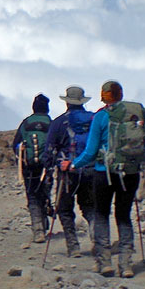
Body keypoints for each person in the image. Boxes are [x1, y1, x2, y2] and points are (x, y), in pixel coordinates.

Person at [73, 81, 142, 278]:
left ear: (104, 96)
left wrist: (73, 164)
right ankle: (126, 264)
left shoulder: (101, 117)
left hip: (104, 172)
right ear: (121, 95)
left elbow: (90, 151)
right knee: (123, 215)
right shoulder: (133, 116)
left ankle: (104, 262)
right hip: (129, 172)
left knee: (102, 214)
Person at [44, 85, 96, 258]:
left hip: (67, 173)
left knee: (65, 209)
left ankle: (73, 247)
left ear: (67, 102)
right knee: (89, 207)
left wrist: (50, 169)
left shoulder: (58, 123)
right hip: (90, 170)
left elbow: (50, 149)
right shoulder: (93, 119)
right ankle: (98, 240)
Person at [10, 94, 56, 243]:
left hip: (29, 167)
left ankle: (38, 231)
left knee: (32, 196)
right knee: (44, 193)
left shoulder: (26, 123)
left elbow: (15, 145)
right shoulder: (51, 123)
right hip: (46, 167)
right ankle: (44, 221)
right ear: (47, 108)